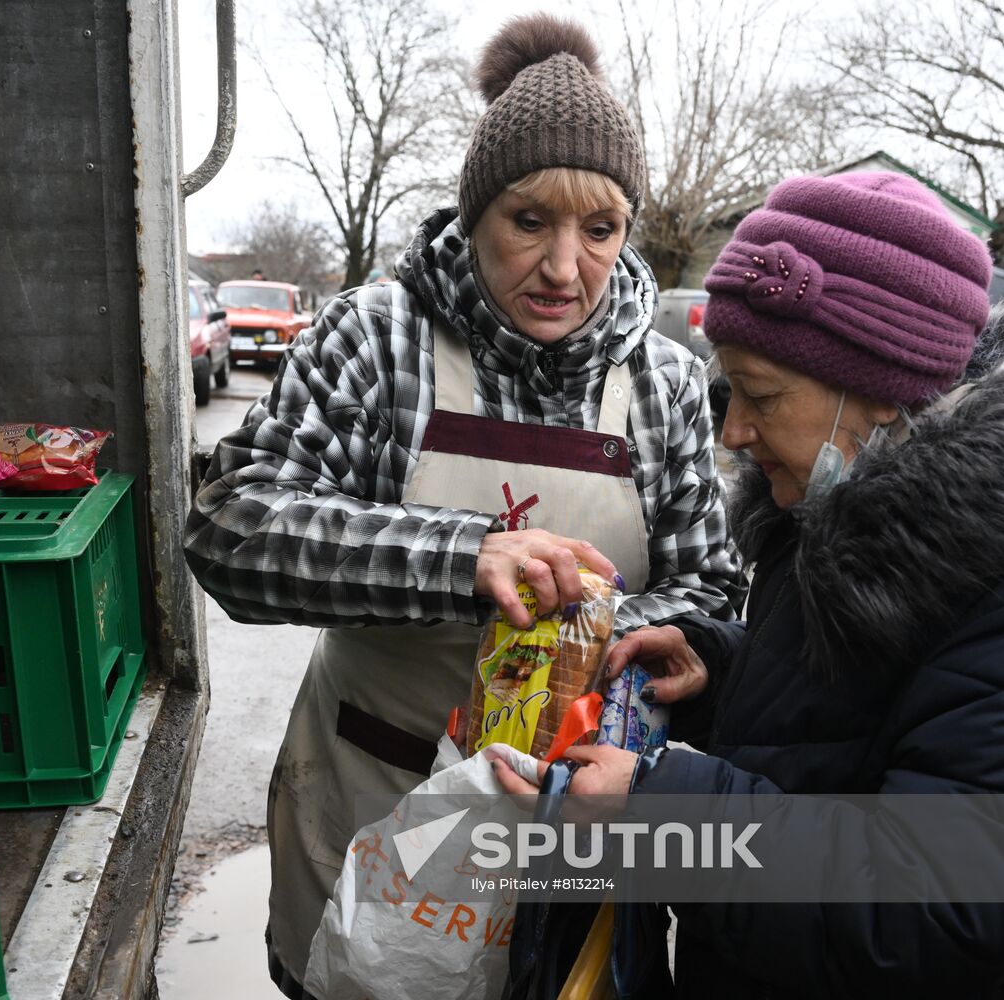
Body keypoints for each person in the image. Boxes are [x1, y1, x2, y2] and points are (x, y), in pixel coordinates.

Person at [184, 14, 746, 995]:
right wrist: (463, 559)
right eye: (530, 220)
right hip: (372, 788)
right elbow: (235, 526)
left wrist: (587, 632)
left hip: (567, 814)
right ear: (477, 211)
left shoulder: (660, 381)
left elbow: (709, 586)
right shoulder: (376, 336)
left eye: (599, 228)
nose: (565, 266)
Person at [494, 170, 1003, 997]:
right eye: (727, 390)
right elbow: (854, 717)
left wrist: (664, 815)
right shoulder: (838, 506)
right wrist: (722, 673)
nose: (732, 432)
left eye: (760, 396)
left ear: (882, 391)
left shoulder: (986, 581)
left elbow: (943, 902)